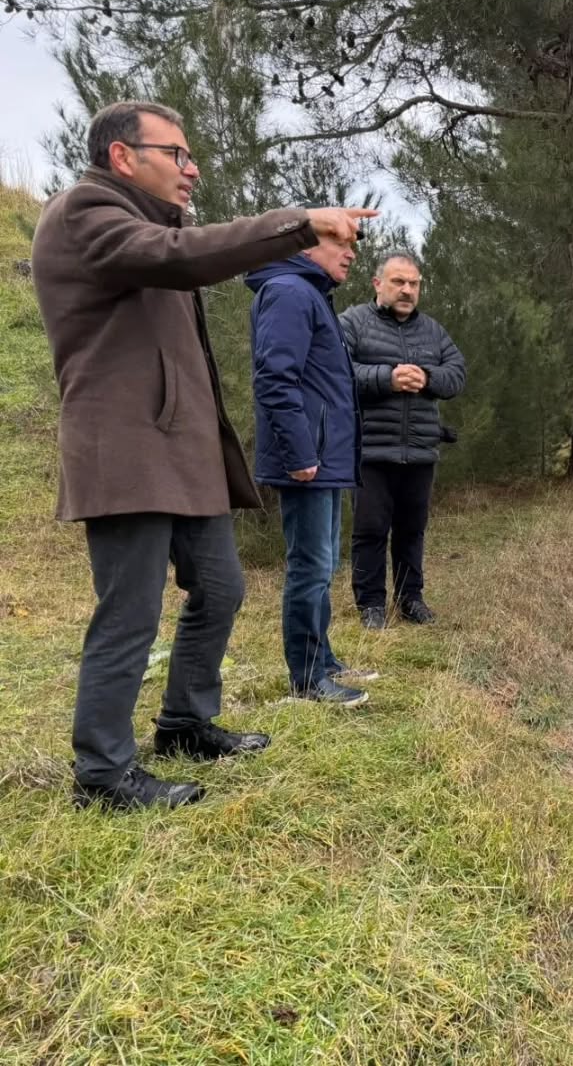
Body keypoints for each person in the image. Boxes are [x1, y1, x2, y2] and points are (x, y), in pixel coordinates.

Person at [29, 100, 376, 811]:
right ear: (123, 156)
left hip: (182, 452)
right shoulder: (85, 212)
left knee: (221, 588)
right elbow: (178, 257)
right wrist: (299, 224)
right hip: (125, 448)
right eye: (176, 154)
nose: (191, 169)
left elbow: (185, 250)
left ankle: (186, 722)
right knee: (129, 613)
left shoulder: (157, 225)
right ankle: (103, 775)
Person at [247, 233, 376, 706]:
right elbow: (274, 378)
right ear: (305, 244)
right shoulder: (289, 292)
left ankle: (325, 662)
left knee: (324, 564)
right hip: (309, 461)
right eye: (339, 242)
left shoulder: (310, 293)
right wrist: (300, 454)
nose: (351, 252)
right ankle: (307, 679)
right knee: (310, 567)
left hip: (325, 458)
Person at [340, 251, 467, 630]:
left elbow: (457, 374)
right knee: (370, 531)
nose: (407, 290)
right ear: (378, 283)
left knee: (412, 531)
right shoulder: (353, 322)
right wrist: (387, 378)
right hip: (370, 450)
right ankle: (371, 605)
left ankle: (411, 599)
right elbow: (337, 371)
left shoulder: (432, 331)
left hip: (420, 450)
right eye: (399, 282)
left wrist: (427, 378)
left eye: (414, 283)